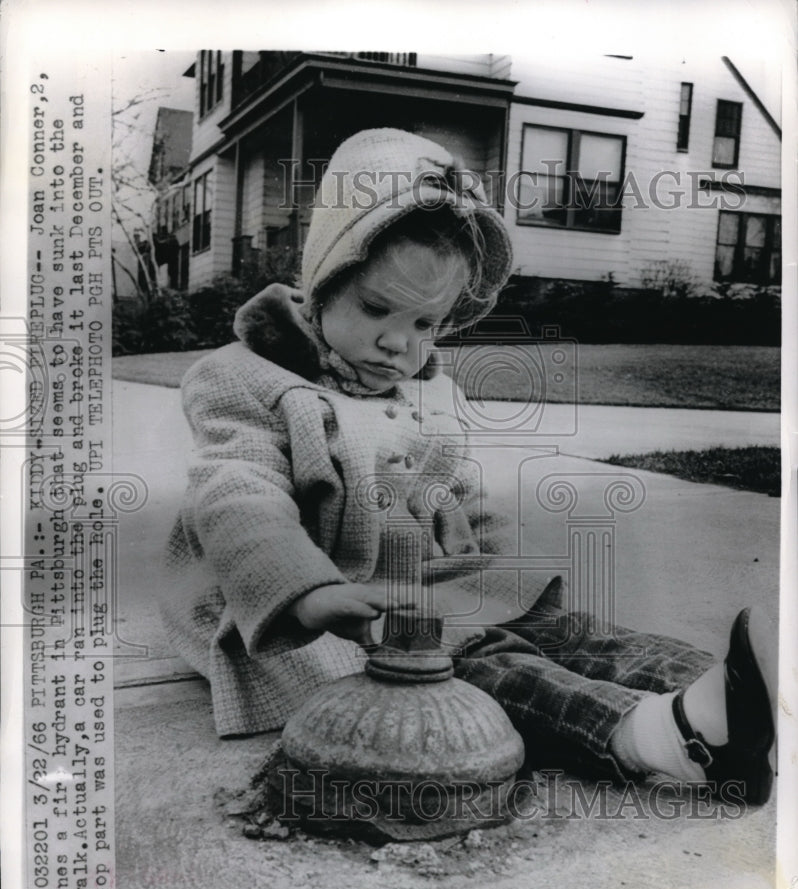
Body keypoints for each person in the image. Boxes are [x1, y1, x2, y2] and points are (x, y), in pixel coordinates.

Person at [161, 128, 776, 806]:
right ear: (321, 281)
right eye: (375, 309)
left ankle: (742, 697)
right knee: (480, 670)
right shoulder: (246, 379)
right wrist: (305, 594)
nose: (400, 343)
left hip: (423, 583)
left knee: (560, 630)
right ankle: (665, 737)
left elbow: (461, 496)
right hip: (318, 611)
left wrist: (510, 577)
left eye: (427, 324)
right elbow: (238, 497)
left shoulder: (427, 388)